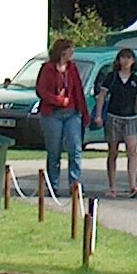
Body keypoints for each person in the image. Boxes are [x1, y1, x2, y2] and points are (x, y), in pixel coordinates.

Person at [35, 36, 89, 203]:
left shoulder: (72, 68)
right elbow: (41, 91)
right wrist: (58, 101)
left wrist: (85, 113)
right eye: (70, 49)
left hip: (72, 113)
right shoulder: (47, 69)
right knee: (54, 151)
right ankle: (52, 185)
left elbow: (78, 91)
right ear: (62, 51)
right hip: (52, 114)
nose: (72, 52)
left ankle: (75, 184)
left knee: (75, 148)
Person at [96, 47, 137, 198]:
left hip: (130, 118)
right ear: (118, 60)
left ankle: (133, 185)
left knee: (132, 151)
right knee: (113, 152)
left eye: (129, 58)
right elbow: (102, 96)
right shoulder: (111, 77)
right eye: (123, 58)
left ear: (133, 61)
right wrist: (98, 115)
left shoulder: (136, 80)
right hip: (113, 116)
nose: (126, 61)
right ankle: (112, 186)